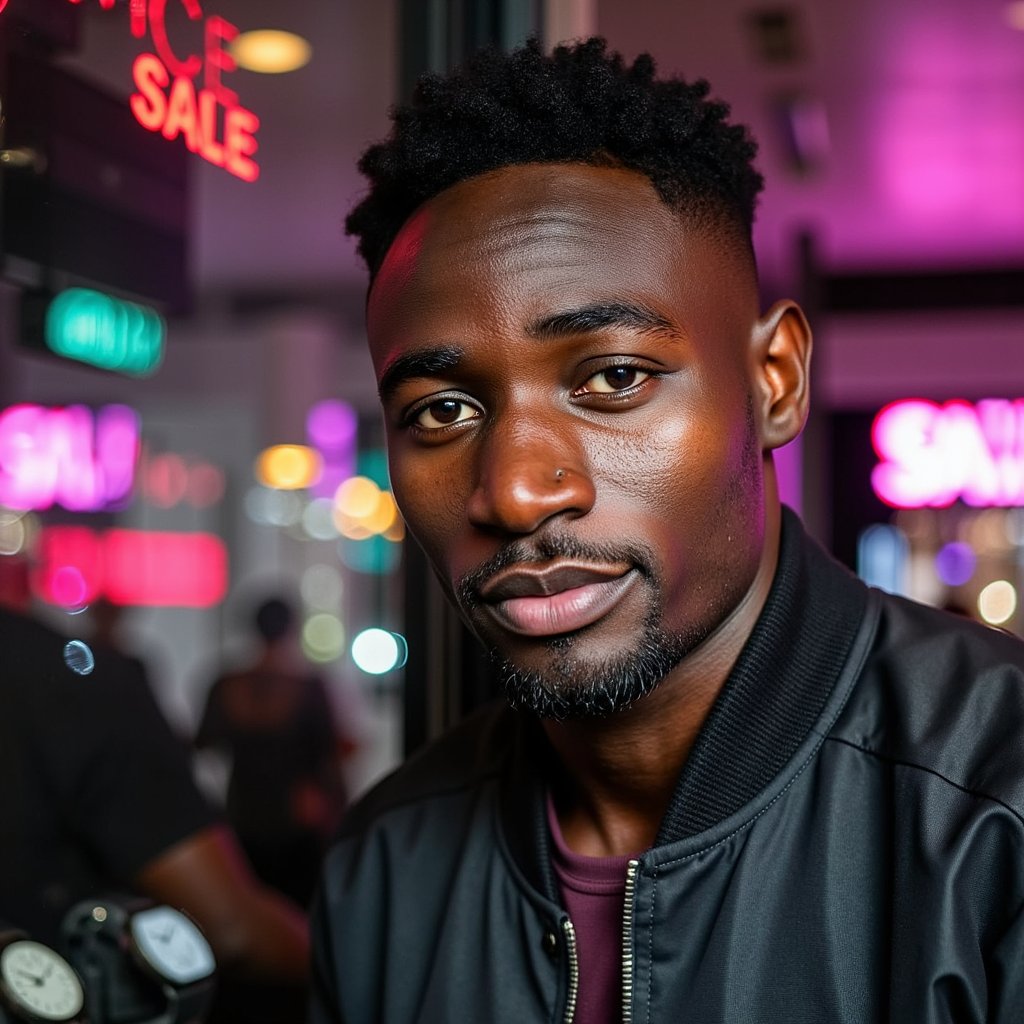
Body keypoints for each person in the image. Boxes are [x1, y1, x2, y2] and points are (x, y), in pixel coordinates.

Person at [309, 37, 1024, 1023]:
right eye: (443, 412)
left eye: (613, 379)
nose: (516, 492)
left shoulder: (996, 805)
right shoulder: (387, 863)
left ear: (773, 382)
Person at [0, 601, 310, 988]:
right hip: (268, 834)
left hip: (245, 819)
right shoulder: (73, 682)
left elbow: (201, 738)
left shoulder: (218, 681)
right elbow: (230, 929)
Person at [196, 596, 351, 908]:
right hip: (297, 818)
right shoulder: (308, 688)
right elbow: (329, 755)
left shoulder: (227, 686)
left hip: (243, 813)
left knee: (251, 906)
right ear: (292, 629)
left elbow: (203, 742)